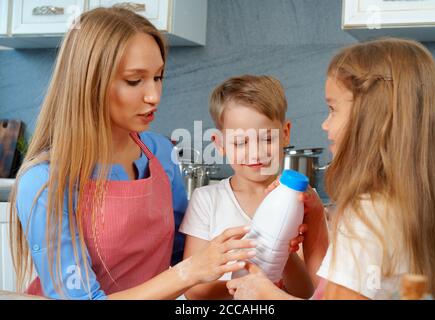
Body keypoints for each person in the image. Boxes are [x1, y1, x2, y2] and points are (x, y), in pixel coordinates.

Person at [9, 7, 256, 300]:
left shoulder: (161, 154)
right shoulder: (45, 182)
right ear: (90, 83)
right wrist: (190, 271)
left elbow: (184, 262)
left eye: (158, 77)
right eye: (134, 80)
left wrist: (252, 281)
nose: (153, 95)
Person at [227, 38, 435, 300]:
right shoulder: (423, 201)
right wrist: (316, 221)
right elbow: (333, 290)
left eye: (332, 109)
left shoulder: (369, 213)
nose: (324, 124)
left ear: (369, 118)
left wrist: (263, 293)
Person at [180, 75, 314, 299]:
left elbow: (307, 291)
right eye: (241, 142)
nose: (255, 153)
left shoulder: (302, 200)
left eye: (267, 139)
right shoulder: (207, 200)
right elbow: (194, 291)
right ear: (220, 144)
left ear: (285, 133)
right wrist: (247, 288)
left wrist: (283, 252)